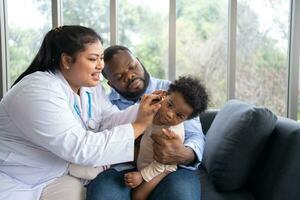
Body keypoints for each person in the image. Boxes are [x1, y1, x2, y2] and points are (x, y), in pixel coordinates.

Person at [0, 26, 161, 200]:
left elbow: (109, 120)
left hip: (55, 175)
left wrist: (147, 108)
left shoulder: (90, 88)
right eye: (93, 59)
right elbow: (80, 148)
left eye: (101, 58)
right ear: (67, 60)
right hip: (15, 178)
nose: (101, 66)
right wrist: (140, 125)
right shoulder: (36, 91)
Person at [86, 45, 208, 200]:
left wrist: (183, 154)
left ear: (139, 61)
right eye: (119, 77)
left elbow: (195, 135)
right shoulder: (107, 105)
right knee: (103, 195)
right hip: (124, 167)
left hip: (171, 166)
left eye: (132, 67)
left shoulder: (174, 92)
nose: (129, 76)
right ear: (111, 84)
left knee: (181, 195)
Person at [124, 76, 208, 200]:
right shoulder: (154, 110)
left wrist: (142, 176)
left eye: (179, 115)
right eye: (170, 105)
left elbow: (161, 163)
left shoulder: (170, 133)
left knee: (138, 196)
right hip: (144, 157)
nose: (169, 114)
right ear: (164, 95)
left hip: (162, 168)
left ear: (186, 120)